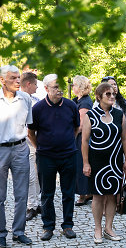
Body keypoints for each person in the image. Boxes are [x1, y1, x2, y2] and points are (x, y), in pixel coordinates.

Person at [28, 74, 80, 241]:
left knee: (68, 192)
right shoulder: (37, 108)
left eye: (61, 87)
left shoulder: (71, 106)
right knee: (47, 193)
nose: (60, 90)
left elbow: (76, 128)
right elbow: (31, 133)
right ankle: (48, 226)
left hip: (68, 155)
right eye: (55, 87)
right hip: (46, 157)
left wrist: (66, 142)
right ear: (46, 89)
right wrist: (40, 148)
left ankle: (68, 225)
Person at [82, 83, 126, 244]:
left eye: (113, 94)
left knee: (112, 196)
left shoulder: (119, 114)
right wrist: (86, 163)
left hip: (115, 161)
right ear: (99, 96)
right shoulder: (91, 115)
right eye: (107, 94)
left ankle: (109, 228)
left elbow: (124, 139)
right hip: (97, 161)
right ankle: (97, 229)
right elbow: (85, 140)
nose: (111, 96)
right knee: (97, 196)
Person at [0, 65, 33, 246]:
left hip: (20, 148)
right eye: (13, 78)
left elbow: (28, 125)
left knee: (22, 194)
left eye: (19, 77)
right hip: (0, 149)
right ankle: (0, 233)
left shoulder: (25, 98)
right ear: (2, 80)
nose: (18, 81)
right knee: (0, 196)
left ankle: (19, 231)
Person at [99, 76, 126, 190]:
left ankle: (122, 197)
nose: (114, 87)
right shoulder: (98, 104)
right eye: (110, 85)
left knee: (124, 169)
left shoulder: (123, 103)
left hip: (123, 140)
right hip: (107, 141)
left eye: (115, 84)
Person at [20, 72, 42, 221]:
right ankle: (30, 206)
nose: (37, 87)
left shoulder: (36, 100)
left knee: (39, 176)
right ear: (28, 84)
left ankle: (37, 203)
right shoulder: (18, 100)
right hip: (25, 142)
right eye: (35, 84)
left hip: (38, 140)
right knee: (30, 177)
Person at [71, 75, 93, 206]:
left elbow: (81, 125)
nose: (72, 87)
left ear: (79, 87)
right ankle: (84, 192)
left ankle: (84, 193)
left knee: (81, 164)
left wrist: (70, 137)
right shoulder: (77, 100)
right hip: (77, 137)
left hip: (81, 138)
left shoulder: (85, 102)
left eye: (74, 85)